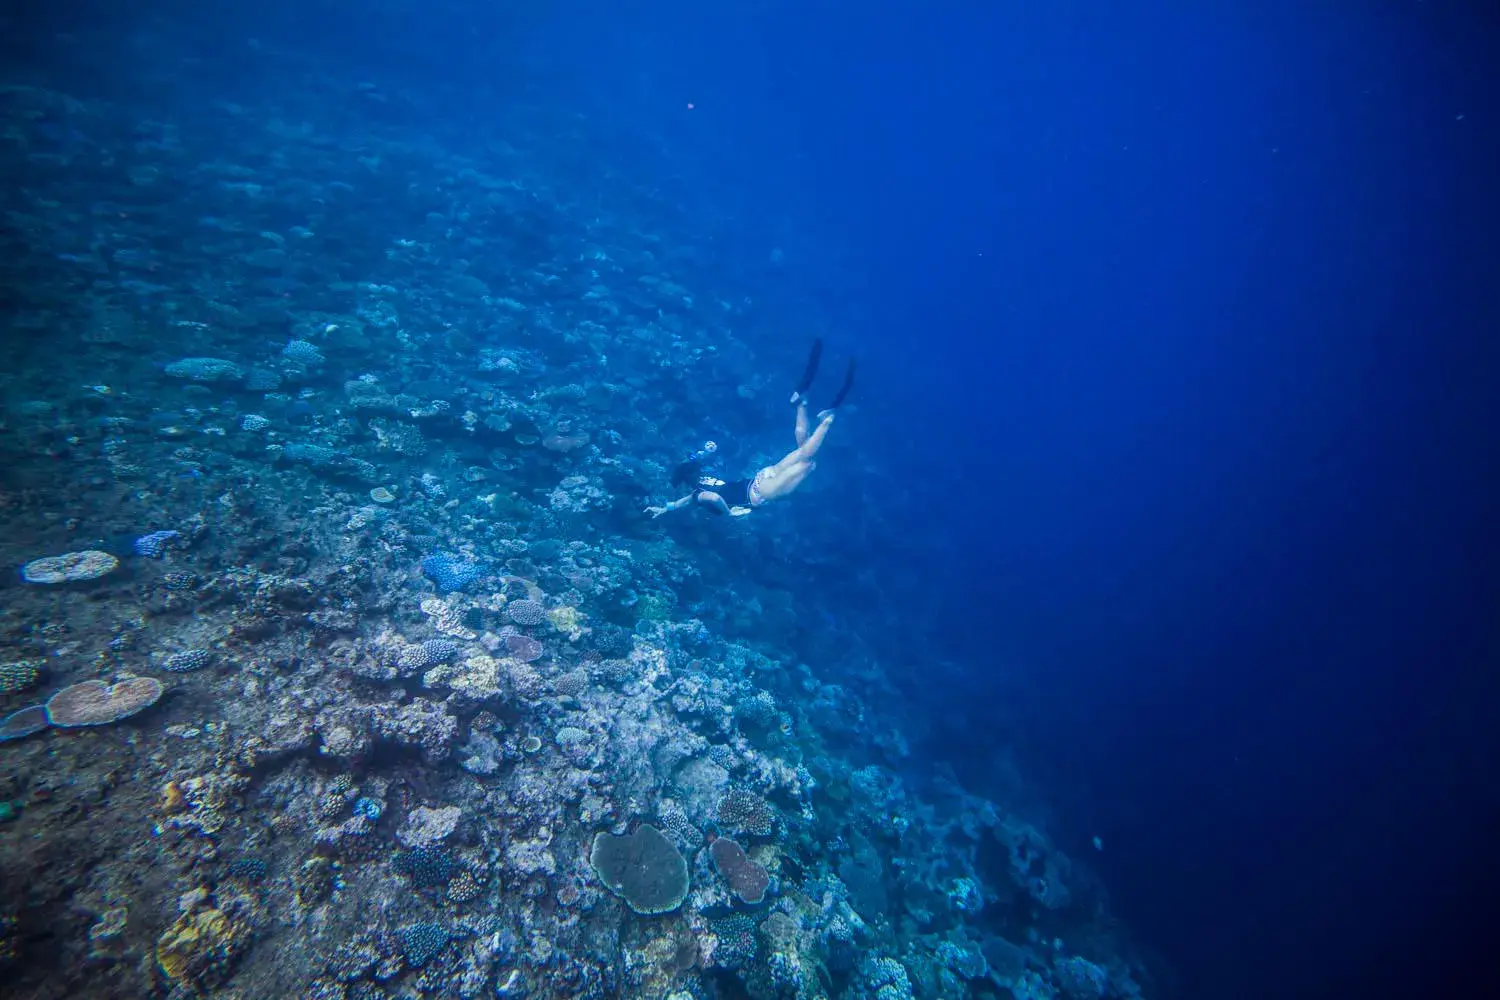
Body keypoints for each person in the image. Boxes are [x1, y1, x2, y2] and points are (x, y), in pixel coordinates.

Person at [646, 340, 854, 519]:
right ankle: (802, 402)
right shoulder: (698, 488)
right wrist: (666, 508)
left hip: (760, 493)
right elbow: (686, 501)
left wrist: (728, 513)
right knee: (803, 451)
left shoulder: (698, 494)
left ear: (686, 481)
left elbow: (713, 497)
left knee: (808, 460)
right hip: (759, 478)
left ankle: (827, 421)